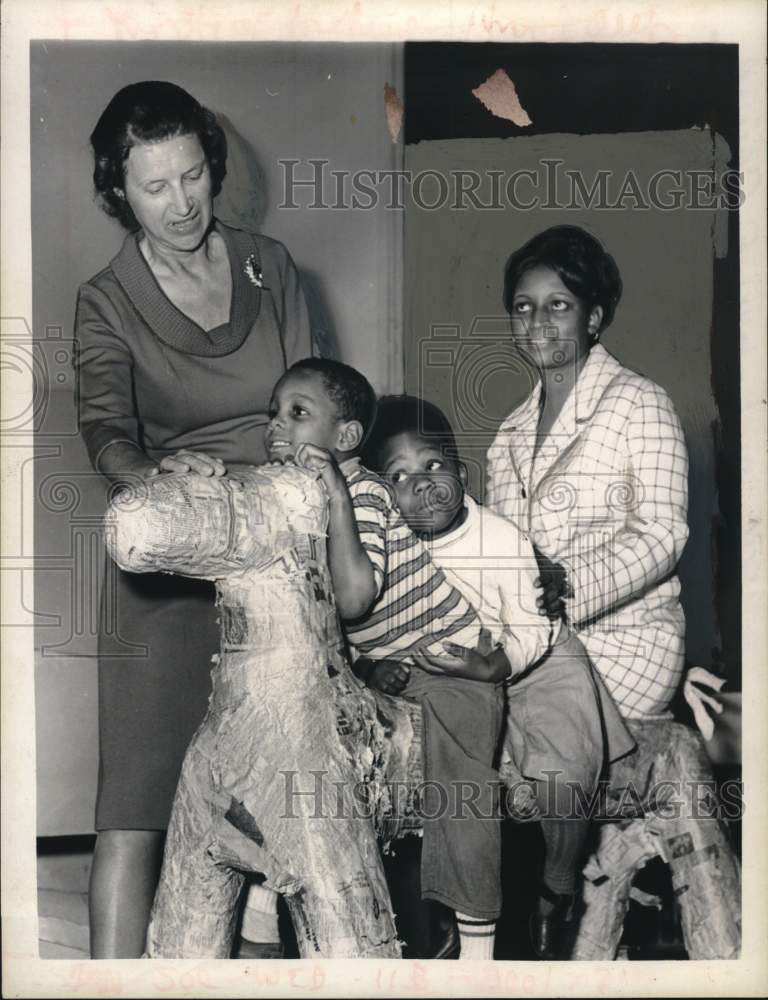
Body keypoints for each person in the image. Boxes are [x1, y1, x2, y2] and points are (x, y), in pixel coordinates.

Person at [74, 80, 312, 957]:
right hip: (164, 565)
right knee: (135, 805)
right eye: (153, 186)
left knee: (278, 799)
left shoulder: (271, 264)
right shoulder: (106, 298)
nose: (181, 204)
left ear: (212, 165)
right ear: (118, 192)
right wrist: (154, 471)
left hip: (275, 555)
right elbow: (104, 426)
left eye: (192, 176)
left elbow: (312, 406)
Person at [487, 225, 740, 959]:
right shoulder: (506, 436)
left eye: (558, 305)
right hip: (541, 647)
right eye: (524, 307)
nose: (539, 322)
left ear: (594, 317)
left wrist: (565, 591)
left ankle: (555, 893)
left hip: (623, 645)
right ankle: (493, 921)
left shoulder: (640, 403)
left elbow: (664, 535)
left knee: (527, 734)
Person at [362, 394, 635, 959]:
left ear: (461, 472)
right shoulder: (385, 549)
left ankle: (558, 886)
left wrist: (495, 664)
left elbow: (533, 625)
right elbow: (358, 630)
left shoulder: (497, 538)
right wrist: (371, 667)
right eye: (398, 476)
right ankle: (451, 918)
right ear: (378, 497)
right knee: (461, 782)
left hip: (536, 660)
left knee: (564, 776)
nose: (422, 484)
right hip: (462, 676)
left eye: (434, 465)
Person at [267, 358, 517, 959]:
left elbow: (353, 600)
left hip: (452, 657)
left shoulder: (365, 492)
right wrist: (364, 667)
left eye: (297, 413)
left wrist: (334, 491)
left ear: (345, 439)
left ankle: (478, 949)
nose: (276, 425)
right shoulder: (295, 495)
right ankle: (268, 905)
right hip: (388, 660)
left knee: (461, 789)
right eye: (271, 413)